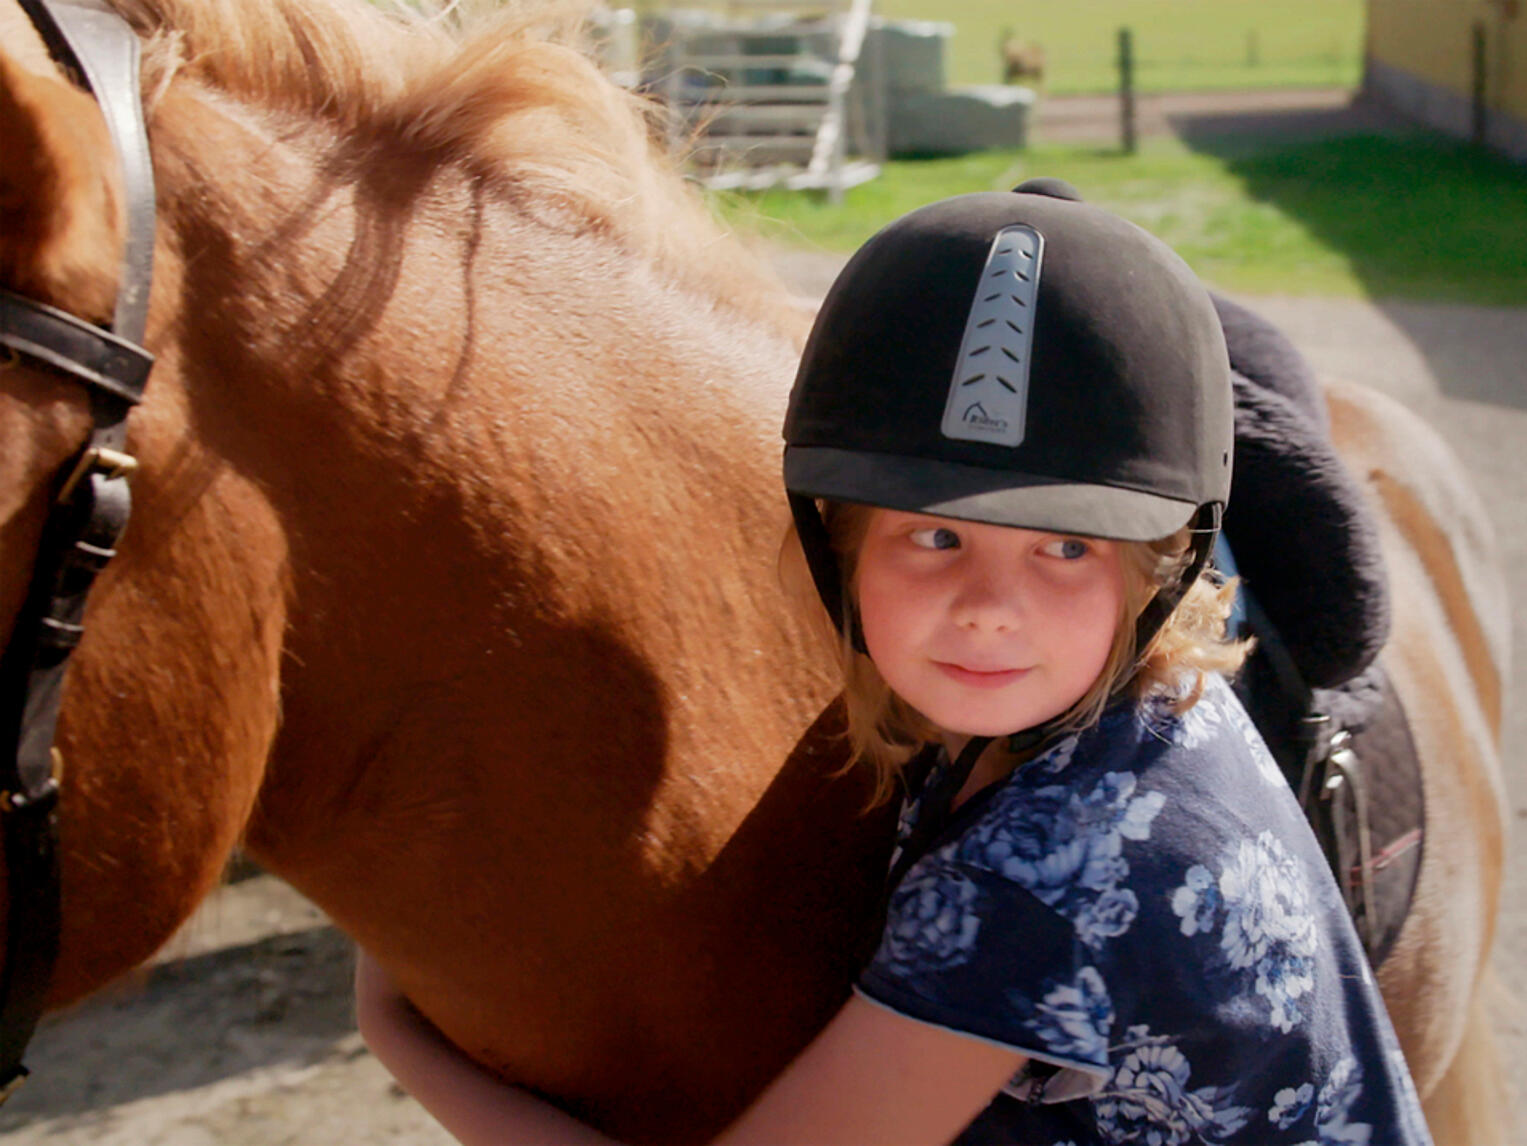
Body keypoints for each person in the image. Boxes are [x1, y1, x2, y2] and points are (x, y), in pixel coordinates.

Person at [356, 181, 1433, 1145]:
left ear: (1157, 570)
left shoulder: (1042, 883)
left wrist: (399, 1034)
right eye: (934, 535)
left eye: (1066, 548)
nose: (989, 611)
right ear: (842, 549)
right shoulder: (1156, 708)